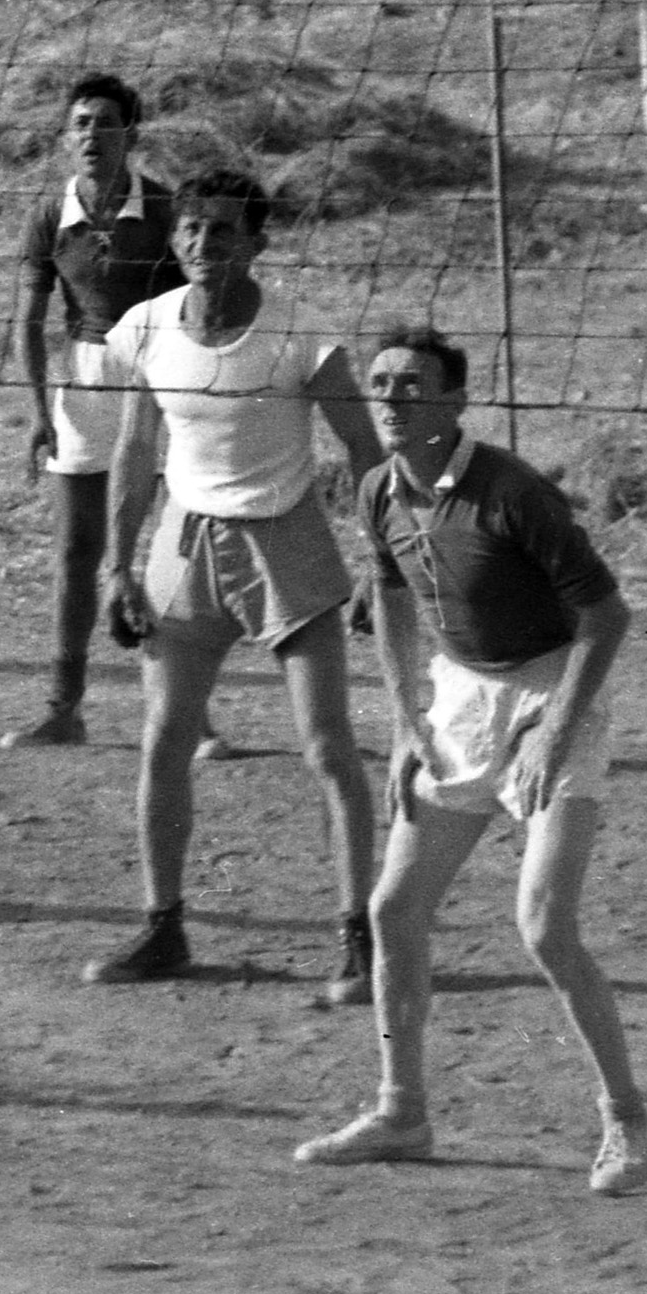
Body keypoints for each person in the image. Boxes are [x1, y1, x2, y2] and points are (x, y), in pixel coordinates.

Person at [298, 328, 647, 1194]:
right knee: (392, 909)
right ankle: (401, 1111)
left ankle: (628, 1118)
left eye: (412, 385)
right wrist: (405, 720)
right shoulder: (379, 487)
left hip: (551, 690)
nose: (390, 399)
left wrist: (555, 730)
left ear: (456, 401)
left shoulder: (513, 493)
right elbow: (386, 588)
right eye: (380, 384)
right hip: (458, 695)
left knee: (544, 925)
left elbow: (606, 618)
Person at [94, 168, 391, 1005]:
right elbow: (134, 451)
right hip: (183, 545)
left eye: (221, 230)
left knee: (328, 746)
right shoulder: (147, 327)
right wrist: (118, 564)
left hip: (285, 542)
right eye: (189, 228)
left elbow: (368, 458)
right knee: (164, 737)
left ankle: (357, 938)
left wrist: (379, 562)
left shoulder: (302, 338)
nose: (200, 244)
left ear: (256, 243)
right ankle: (163, 926)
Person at [4, 73, 180, 750]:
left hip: (152, 376)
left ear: (131, 135)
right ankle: (63, 707)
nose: (90, 135)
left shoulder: (164, 211)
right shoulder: (51, 217)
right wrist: (37, 411)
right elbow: (26, 321)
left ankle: (188, 715)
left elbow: (192, 301)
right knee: (79, 549)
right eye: (79, 123)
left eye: (105, 123)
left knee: (162, 549)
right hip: (81, 377)